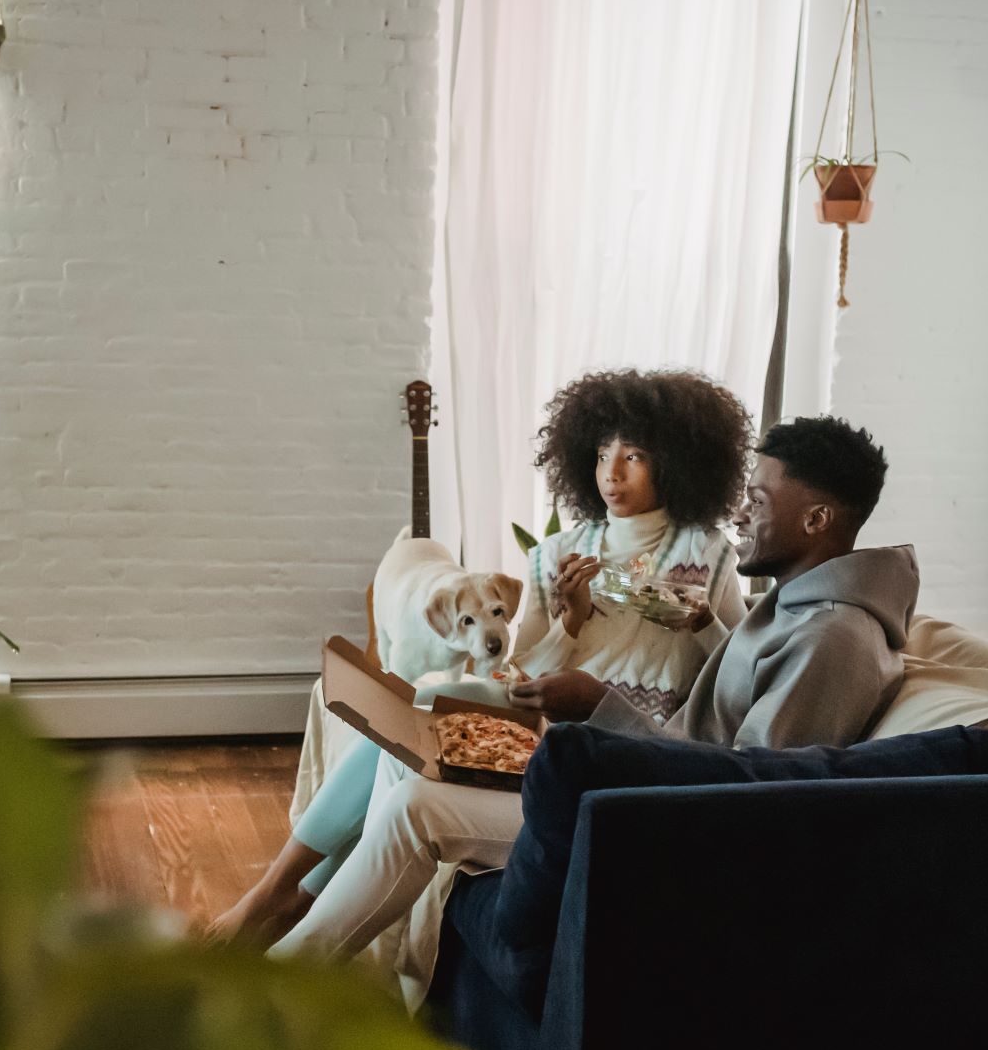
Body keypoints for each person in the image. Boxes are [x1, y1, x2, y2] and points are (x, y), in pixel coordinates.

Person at [268, 415, 918, 1003]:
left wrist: (598, 704)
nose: (741, 515)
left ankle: (280, 977)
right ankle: (298, 944)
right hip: (626, 774)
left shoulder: (832, 638)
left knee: (417, 790)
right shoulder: (795, 603)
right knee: (418, 749)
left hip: (646, 816)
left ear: (816, 520)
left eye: (758, 499)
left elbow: (746, 795)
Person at [206, 368, 753, 945]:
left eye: (634, 456)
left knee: (409, 732)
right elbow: (522, 672)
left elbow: (739, 672)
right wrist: (570, 622)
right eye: (600, 455)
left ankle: (293, 894)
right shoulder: (555, 556)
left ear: (675, 461)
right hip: (538, 725)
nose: (611, 474)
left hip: (625, 747)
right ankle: (280, 891)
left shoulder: (709, 557)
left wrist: (700, 622)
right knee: (413, 708)